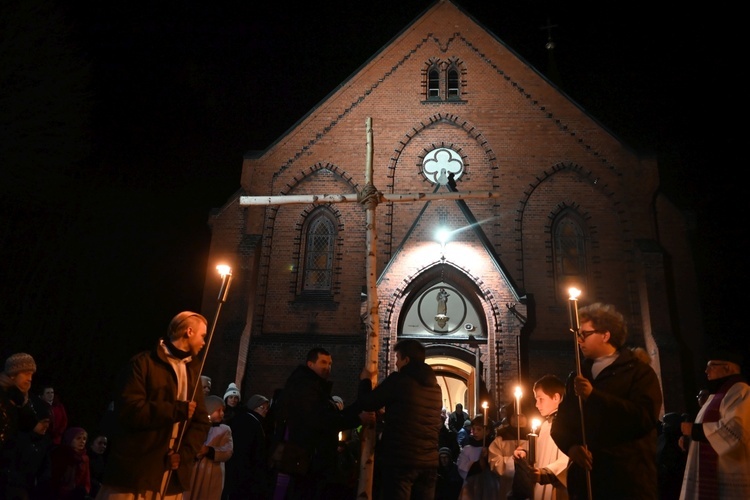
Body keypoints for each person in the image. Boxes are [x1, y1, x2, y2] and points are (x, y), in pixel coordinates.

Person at [550, 302, 663, 500]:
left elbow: (643, 418)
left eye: (584, 334)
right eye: (577, 334)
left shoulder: (637, 372)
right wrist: (571, 447)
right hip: (587, 481)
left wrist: (594, 396)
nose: (578, 340)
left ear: (606, 335)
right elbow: (561, 424)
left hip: (626, 480)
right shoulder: (578, 374)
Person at [95, 311, 211, 499]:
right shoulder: (143, 363)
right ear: (189, 331)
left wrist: (182, 455)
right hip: (137, 471)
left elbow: (200, 421)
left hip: (170, 475)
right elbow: (130, 410)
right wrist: (176, 409)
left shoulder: (193, 371)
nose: (204, 342)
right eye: (202, 336)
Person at [273, 347, 372, 499]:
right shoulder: (305, 389)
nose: (328, 367)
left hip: (313, 462)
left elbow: (333, 415)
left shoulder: (314, 388)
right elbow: (322, 419)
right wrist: (357, 418)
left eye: (330, 363)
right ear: (310, 364)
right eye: (323, 362)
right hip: (310, 462)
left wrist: (364, 386)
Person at [356, 338, 443, 500]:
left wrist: (365, 380)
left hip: (401, 460)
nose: (396, 363)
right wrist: (389, 415)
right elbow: (419, 417)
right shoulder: (435, 387)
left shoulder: (399, 380)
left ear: (406, 360)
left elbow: (367, 402)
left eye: (397, 358)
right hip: (429, 463)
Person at [679, 350, 750, 498]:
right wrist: (689, 440)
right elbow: (706, 431)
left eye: (711, 366)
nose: (706, 371)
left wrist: (695, 431)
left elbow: (736, 431)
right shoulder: (716, 396)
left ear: (728, 367)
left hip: (728, 475)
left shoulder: (741, 391)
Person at [513, 374, 568, 500]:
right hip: (541, 487)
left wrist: (546, 473)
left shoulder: (568, 424)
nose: (537, 405)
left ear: (556, 397)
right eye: (536, 400)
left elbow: (569, 458)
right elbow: (540, 451)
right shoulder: (545, 425)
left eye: (540, 399)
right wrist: (524, 452)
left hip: (557, 488)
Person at [0, 353, 39, 497]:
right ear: (12, 374)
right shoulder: (3, 395)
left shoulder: (21, 398)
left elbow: (30, 424)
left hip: (13, 470)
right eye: (26, 373)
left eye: (32, 374)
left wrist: (22, 403)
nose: (30, 378)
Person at [223, 393, 271, 500]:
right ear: (254, 407)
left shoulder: (253, 421)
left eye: (267, 408)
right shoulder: (250, 422)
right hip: (244, 470)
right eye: (262, 407)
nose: (265, 411)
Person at [186, 395, 233, 500]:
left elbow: (227, 450)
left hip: (212, 471)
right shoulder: (198, 426)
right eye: (218, 410)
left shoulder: (224, 430)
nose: (222, 413)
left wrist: (209, 451)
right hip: (195, 470)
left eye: (223, 410)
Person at [488, 412, 530, 499]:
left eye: (522, 415)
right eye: (514, 415)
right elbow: (495, 462)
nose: (518, 418)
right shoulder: (501, 439)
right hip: (507, 486)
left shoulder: (535, 438)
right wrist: (514, 461)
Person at [48, 426, 91, 499]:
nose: (82, 441)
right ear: (70, 439)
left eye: (84, 439)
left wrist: (84, 491)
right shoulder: (61, 454)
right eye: (78, 438)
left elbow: (86, 480)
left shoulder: (84, 458)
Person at [87, 432, 109, 498]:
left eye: (105, 444)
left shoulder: (101, 459)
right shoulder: (86, 458)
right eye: (100, 443)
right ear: (91, 444)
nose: (103, 446)